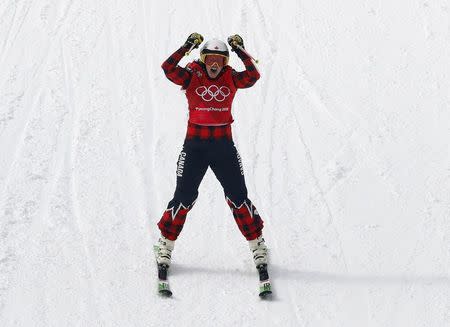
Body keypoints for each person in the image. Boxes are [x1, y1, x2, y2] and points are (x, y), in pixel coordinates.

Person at [156, 33, 268, 271]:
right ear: (203, 59)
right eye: (210, 59)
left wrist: (240, 51)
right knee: (184, 197)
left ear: (225, 63)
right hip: (195, 146)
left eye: (219, 59)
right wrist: (186, 46)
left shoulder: (230, 77)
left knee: (238, 197)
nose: (214, 64)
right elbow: (167, 68)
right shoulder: (191, 75)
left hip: (223, 147)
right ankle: (165, 244)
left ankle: (257, 245)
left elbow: (253, 76)